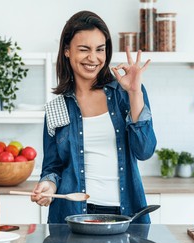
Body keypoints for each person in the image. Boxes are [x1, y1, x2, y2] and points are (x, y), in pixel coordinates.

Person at [31, 10, 157, 224]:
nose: (93, 58)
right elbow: (53, 167)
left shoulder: (126, 94)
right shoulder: (57, 106)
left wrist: (135, 92)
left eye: (100, 49)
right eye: (84, 49)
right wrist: (48, 186)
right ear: (67, 51)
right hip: (72, 216)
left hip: (125, 214)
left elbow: (144, 150)